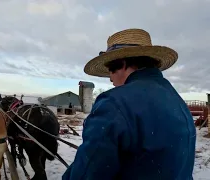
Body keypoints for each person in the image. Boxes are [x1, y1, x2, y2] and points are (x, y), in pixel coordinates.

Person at [62, 28, 196, 180]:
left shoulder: (114, 103)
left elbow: (87, 173)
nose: (110, 78)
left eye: (110, 70)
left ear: (123, 63)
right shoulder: (177, 101)